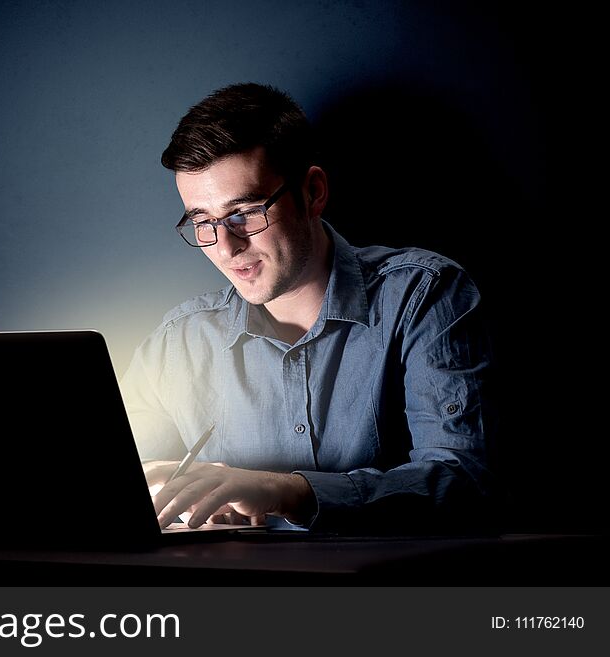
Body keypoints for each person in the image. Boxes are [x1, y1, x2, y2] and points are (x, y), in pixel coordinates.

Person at [120, 83, 495, 533]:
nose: (226, 247)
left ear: (313, 192)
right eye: (203, 221)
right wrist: (175, 499)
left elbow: (464, 484)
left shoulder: (424, 294)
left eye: (245, 212)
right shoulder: (178, 340)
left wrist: (285, 490)